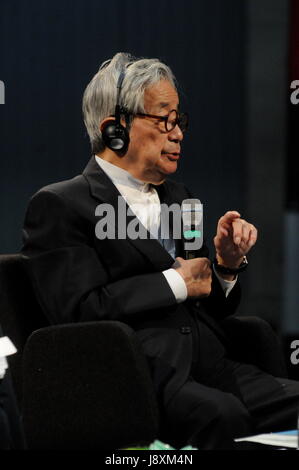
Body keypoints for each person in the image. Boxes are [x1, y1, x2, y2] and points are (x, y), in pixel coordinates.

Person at [21, 53, 299, 449]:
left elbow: (210, 306)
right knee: (225, 416)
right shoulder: (62, 205)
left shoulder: (179, 198)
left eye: (179, 120)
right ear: (115, 129)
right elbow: (78, 313)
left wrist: (225, 266)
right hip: (136, 378)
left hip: (211, 366)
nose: (178, 133)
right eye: (164, 119)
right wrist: (176, 281)